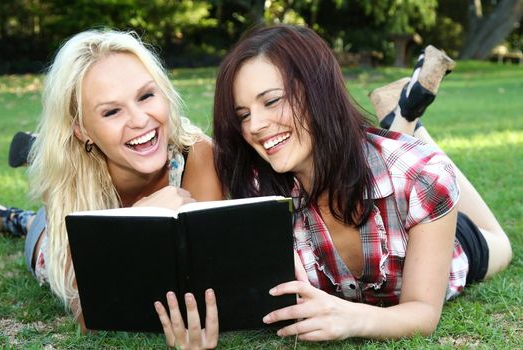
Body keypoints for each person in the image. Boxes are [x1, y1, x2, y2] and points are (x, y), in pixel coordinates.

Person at [209, 24, 512, 341]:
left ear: (319, 89)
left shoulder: (420, 175)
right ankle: (402, 121)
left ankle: (410, 126)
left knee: (499, 243)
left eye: (271, 101)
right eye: (242, 114)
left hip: (439, 235)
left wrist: (351, 320)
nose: (255, 126)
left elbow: (422, 312)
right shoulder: (259, 193)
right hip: (381, 175)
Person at [8, 29, 223, 343]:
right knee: (36, 230)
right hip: (53, 229)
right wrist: (140, 217)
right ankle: (17, 216)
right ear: (82, 130)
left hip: (114, 160)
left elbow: (206, 278)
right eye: (111, 111)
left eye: (146, 96)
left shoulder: (199, 154)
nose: (139, 119)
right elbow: (90, 312)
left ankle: (36, 147)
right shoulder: (67, 178)